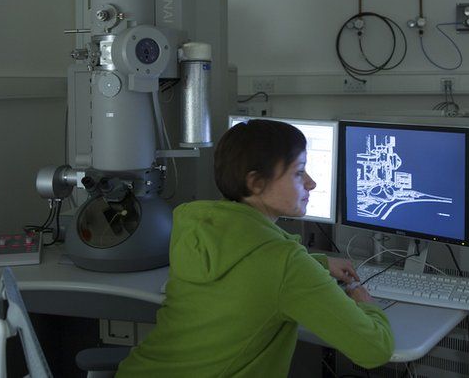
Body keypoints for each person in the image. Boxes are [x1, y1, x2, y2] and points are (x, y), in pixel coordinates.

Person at [116, 119, 394, 377]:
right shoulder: (285, 263)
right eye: (298, 173)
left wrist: (317, 264)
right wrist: (368, 307)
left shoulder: (197, 229)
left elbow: (250, 272)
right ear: (256, 183)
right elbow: (374, 350)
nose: (312, 183)